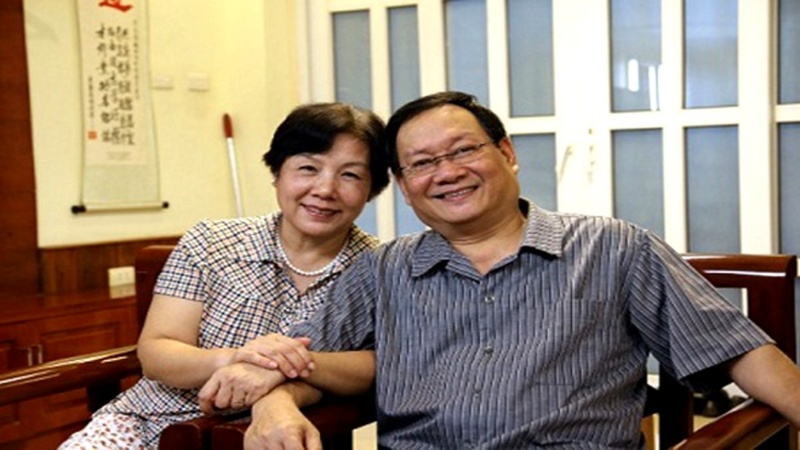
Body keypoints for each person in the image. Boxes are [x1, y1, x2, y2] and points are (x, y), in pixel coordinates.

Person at [215, 91, 800, 449]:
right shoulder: (383, 269)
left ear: (507, 153)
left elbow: (739, 352)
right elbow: (303, 361)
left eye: (463, 150)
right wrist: (274, 403)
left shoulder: (614, 248)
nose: (447, 172)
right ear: (404, 187)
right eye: (422, 163)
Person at [57, 102, 391, 450]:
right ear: (277, 173)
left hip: (270, 433)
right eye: (308, 168)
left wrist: (283, 370)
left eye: (350, 175)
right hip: (150, 422)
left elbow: (379, 365)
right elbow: (157, 351)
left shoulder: (380, 266)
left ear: (372, 188)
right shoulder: (210, 242)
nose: (325, 189)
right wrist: (238, 358)